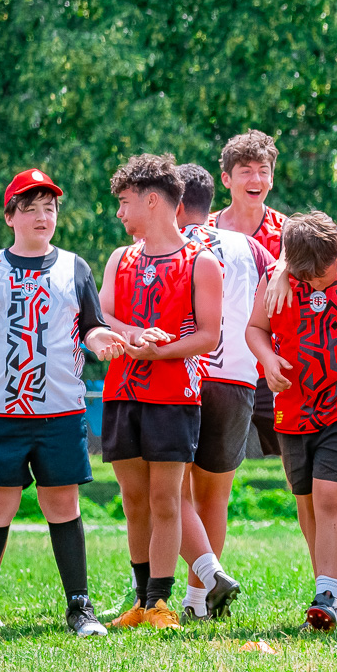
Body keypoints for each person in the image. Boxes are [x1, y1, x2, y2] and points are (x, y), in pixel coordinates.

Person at [0, 168, 122, 636]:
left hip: (60, 412)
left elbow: (92, 326)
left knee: (63, 506)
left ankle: (80, 609)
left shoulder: (75, 266)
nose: (43, 216)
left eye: (50, 207)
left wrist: (103, 341)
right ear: (11, 215)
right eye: (31, 207)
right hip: (2, 411)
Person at [99, 155, 224, 631]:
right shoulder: (119, 258)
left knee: (166, 500)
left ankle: (161, 603)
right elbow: (104, 316)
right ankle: (140, 602)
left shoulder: (201, 262)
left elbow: (208, 337)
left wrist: (162, 350)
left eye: (125, 203)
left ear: (152, 201)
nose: (119, 214)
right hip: (122, 393)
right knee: (133, 501)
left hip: (174, 396)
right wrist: (134, 335)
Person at [247, 212, 337, 631]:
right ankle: (332, 591)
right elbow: (255, 329)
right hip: (293, 408)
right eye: (306, 276)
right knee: (307, 503)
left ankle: (325, 595)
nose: (316, 282)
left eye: (323, 273)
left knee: (330, 498)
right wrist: (268, 360)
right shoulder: (279, 275)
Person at [176, 162, 270, 620]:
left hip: (181, 375)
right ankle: (197, 602)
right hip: (236, 378)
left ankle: (156, 593)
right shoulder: (250, 246)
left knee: (167, 491)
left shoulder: (166, 245)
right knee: (214, 495)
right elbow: (276, 295)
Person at [207, 130, 286, 458]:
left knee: (294, 466)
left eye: (263, 170)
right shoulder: (204, 232)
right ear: (226, 178)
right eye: (246, 171)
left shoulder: (288, 233)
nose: (256, 179)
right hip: (215, 370)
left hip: (271, 369)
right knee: (207, 472)